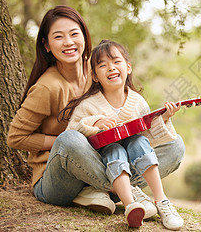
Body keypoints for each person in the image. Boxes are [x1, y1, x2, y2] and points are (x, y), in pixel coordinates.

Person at [7, 6, 185, 218]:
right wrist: (80, 141)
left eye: (74, 34)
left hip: (104, 160)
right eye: (58, 37)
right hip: (59, 178)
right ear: (46, 45)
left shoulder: (98, 70)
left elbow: (123, 116)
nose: (69, 42)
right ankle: (129, 194)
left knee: (174, 146)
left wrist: (159, 120)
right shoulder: (48, 87)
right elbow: (15, 138)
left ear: (84, 36)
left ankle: (103, 191)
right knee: (70, 139)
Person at [60, 39, 184, 229]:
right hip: (101, 163)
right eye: (103, 65)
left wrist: (164, 118)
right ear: (94, 76)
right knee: (114, 148)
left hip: (130, 163)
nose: (111, 68)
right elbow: (70, 140)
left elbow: (148, 139)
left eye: (116, 62)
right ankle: (130, 203)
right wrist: (96, 123)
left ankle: (162, 201)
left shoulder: (138, 102)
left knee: (139, 142)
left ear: (128, 67)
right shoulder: (88, 105)